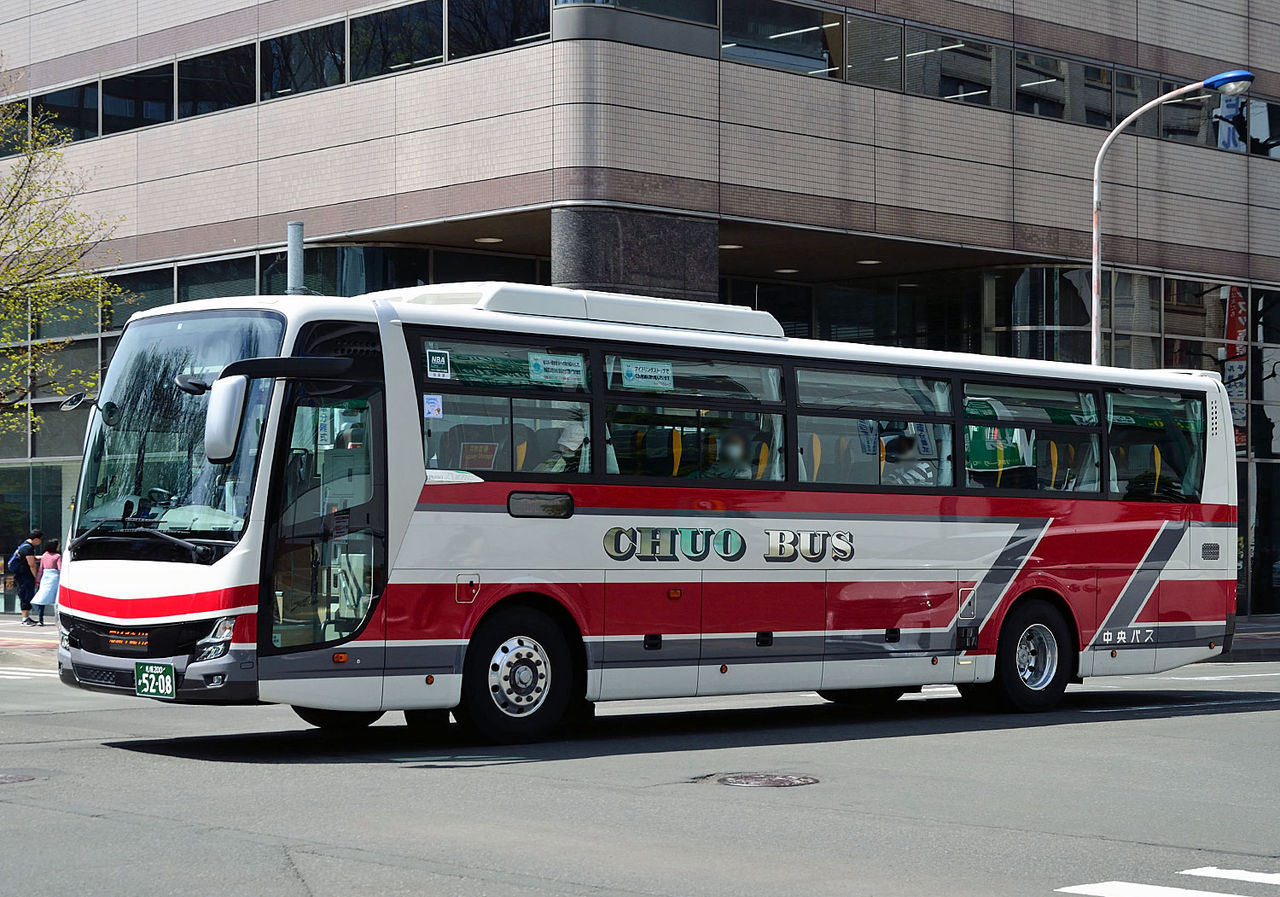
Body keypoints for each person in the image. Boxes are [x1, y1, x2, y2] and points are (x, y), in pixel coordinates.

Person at [9, 529, 43, 627]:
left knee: (26, 595)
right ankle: (24, 619)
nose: (40, 542)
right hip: (24, 576)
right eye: (40, 539)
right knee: (25, 595)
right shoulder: (27, 548)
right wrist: (35, 576)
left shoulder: (25, 546)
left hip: (23, 575)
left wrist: (44, 557)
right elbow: (31, 564)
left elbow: (32, 558)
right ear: (36, 539)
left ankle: (26, 617)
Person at [31, 538, 61, 627]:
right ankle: (59, 619)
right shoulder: (57, 556)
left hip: (45, 577)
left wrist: (38, 580)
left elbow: (40, 569)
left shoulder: (44, 555)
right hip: (55, 578)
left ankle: (40, 619)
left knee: (42, 599)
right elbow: (60, 568)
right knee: (57, 599)